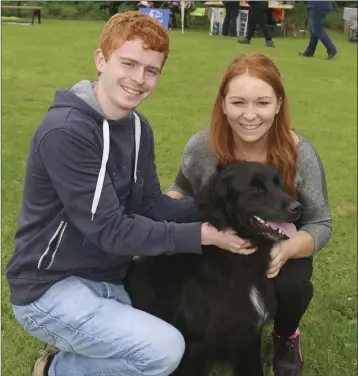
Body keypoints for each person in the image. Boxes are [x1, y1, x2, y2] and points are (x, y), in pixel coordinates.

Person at [6, 12, 253, 376]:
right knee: (165, 350)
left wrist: (213, 209)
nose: (139, 80)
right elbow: (110, 229)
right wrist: (203, 235)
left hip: (109, 280)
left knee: (178, 325)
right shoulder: (66, 131)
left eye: (151, 70)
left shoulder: (138, 127)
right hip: (49, 289)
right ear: (101, 60)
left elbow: (151, 204)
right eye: (129, 63)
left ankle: (90, 339)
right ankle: (56, 367)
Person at [167, 52, 332, 376]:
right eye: (239, 102)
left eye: (262, 103)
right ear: (224, 104)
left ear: (279, 104)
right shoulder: (202, 147)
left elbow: (320, 222)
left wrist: (286, 249)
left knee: (291, 285)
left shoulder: (300, 153)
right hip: (223, 236)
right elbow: (180, 189)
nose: (250, 115)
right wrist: (168, 226)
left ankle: (286, 336)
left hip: (279, 238)